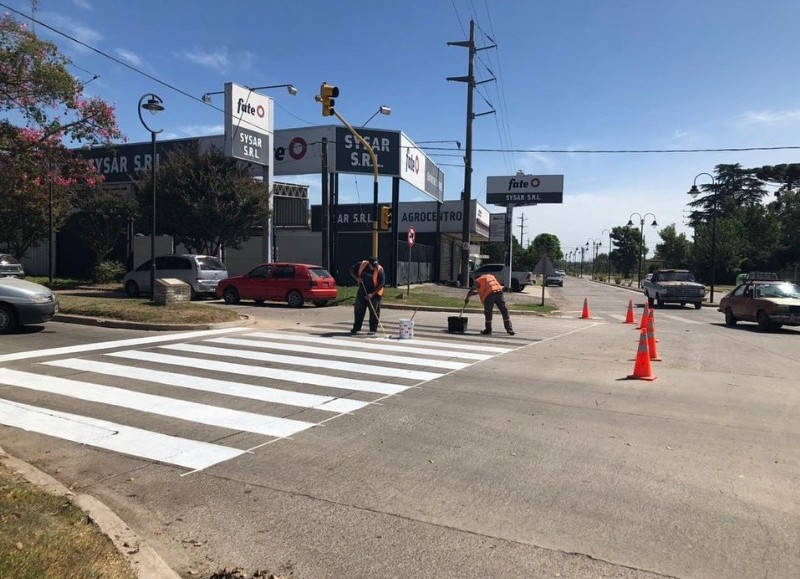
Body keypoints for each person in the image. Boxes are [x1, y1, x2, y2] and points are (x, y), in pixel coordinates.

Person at [349, 256, 385, 335]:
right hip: (362, 291)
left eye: (375, 266)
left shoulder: (380, 270)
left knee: (374, 312)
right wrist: (357, 278)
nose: (374, 268)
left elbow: (381, 284)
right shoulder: (362, 265)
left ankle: (373, 329)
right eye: (373, 266)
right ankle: (356, 328)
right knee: (359, 310)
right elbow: (351, 270)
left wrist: (372, 294)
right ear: (369, 263)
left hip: (375, 294)